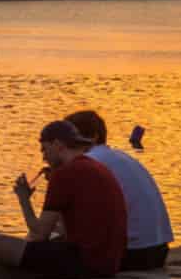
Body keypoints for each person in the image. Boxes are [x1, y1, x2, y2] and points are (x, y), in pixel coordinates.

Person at [0, 118, 127, 279]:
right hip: (108, 264)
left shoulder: (64, 173)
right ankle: (25, 272)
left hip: (84, 263)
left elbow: (39, 235)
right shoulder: (97, 167)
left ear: (57, 145)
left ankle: (26, 273)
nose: (43, 158)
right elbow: (66, 228)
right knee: (49, 239)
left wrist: (23, 199)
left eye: (44, 150)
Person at [66, 109, 174, 270]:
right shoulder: (120, 156)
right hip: (158, 250)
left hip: (133, 254)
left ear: (93, 136)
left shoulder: (89, 162)